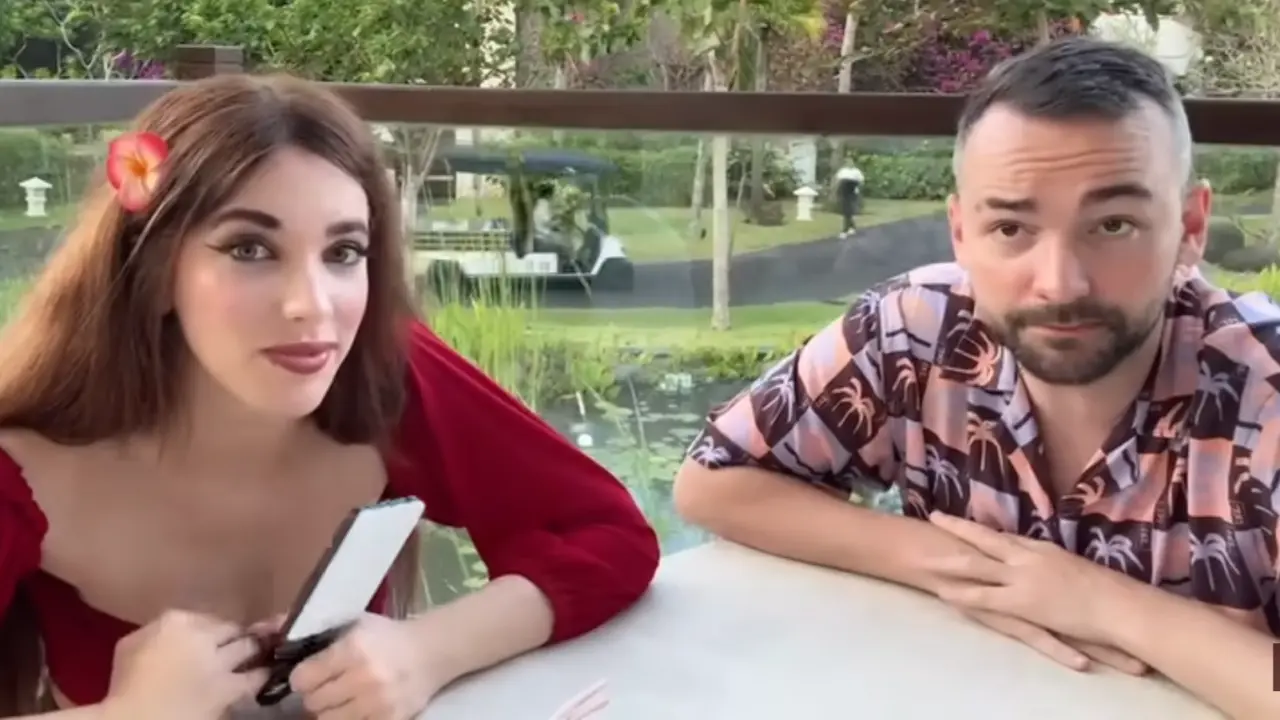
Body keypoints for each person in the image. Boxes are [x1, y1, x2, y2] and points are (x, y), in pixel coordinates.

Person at [0, 73, 660, 719]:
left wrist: (427, 650)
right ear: (153, 266)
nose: (312, 306)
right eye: (251, 248)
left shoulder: (385, 372)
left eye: (343, 252)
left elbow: (607, 534)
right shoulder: (19, 466)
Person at [673, 36, 1280, 720]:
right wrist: (954, 563)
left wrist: (1101, 602)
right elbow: (713, 482)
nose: (1060, 283)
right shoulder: (916, 331)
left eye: (1113, 225)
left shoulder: (1265, 393)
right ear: (961, 232)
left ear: (1191, 226)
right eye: (1012, 228)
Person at [834, 161, 864, 237]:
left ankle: (845, 230)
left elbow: (861, 182)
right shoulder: (843, 171)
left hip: (852, 191)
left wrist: (857, 189)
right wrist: (837, 191)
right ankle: (851, 227)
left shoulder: (856, 171)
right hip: (844, 191)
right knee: (846, 210)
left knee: (848, 210)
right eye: (848, 162)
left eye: (851, 162)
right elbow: (838, 181)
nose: (849, 164)